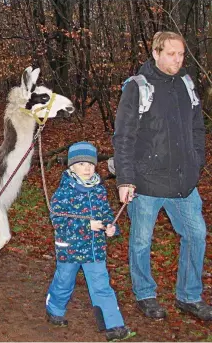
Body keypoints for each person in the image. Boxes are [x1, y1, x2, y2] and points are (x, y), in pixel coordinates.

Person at [113, 31, 211, 321]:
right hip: (145, 183)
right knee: (142, 241)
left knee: (196, 235)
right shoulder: (137, 87)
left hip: (184, 182)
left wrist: (196, 162)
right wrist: (125, 179)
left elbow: (197, 128)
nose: (177, 60)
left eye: (181, 54)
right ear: (156, 53)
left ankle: (189, 296)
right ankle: (145, 294)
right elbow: (124, 137)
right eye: (171, 54)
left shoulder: (186, 84)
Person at [47, 142, 135, 341]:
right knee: (63, 282)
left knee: (101, 285)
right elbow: (59, 221)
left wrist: (111, 226)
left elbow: (105, 214)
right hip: (69, 249)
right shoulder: (63, 192)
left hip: (94, 250)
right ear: (71, 167)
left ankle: (114, 326)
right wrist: (87, 226)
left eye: (91, 164)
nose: (87, 169)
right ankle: (54, 310)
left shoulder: (98, 190)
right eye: (81, 164)